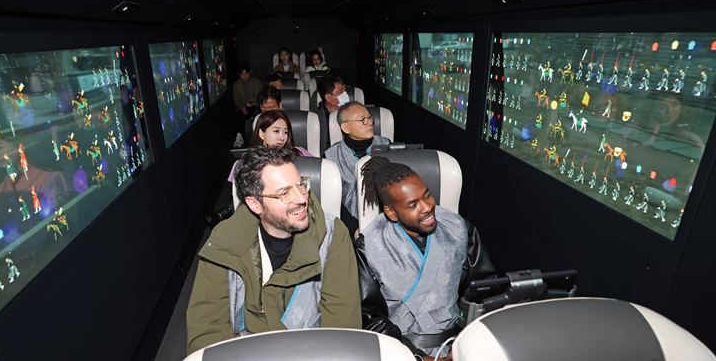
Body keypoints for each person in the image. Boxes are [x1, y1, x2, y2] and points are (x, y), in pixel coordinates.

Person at [187, 146, 361, 354]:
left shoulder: (333, 235)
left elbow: (341, 330)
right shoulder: (223, 245)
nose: (301, 198)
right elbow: (206, 336)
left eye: (301, 185)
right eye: (284, 193)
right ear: (255, 204)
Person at [355, 157, 496, 360]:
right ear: (391, 213)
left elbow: (483, 289)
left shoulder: (459, 228)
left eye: (427, 195)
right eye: (413, 205)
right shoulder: (368, 247)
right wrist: (418, 357)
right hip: (401, 350)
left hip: (459, 341)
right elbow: (369, 317)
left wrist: (466, 341)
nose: (427, 207)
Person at [325, 102, 390, 231]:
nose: (370, 122)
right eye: (362, 120)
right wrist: (355, 229)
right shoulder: (330, 157)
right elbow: (334, 201)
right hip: (348, 224)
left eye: (369, 117)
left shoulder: (386, 146)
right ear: (346, 127)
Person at [228, 110, 312, 181]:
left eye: (285, 132)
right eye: (276, 131)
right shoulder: (244, 164)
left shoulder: (300, 153)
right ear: (261, 134)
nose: (282, 137)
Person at [316, 75, 349, 152]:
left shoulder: (352, 112)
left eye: (345, 90)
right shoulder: (317, 119)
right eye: (341, 92)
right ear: (328, 97)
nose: (345, 94)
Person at [233, 63, 263, 147]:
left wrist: (254, 103)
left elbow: (260, 96)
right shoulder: (237, 85)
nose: (245, 76)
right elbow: (236, 100)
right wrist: (242, 107)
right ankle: (239, 137)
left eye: (246, 74)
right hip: (244, 107)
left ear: (249, 73)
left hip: (256, 105)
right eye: (242, 74)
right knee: (239, 116)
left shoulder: (256, 82)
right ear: (239, 74)